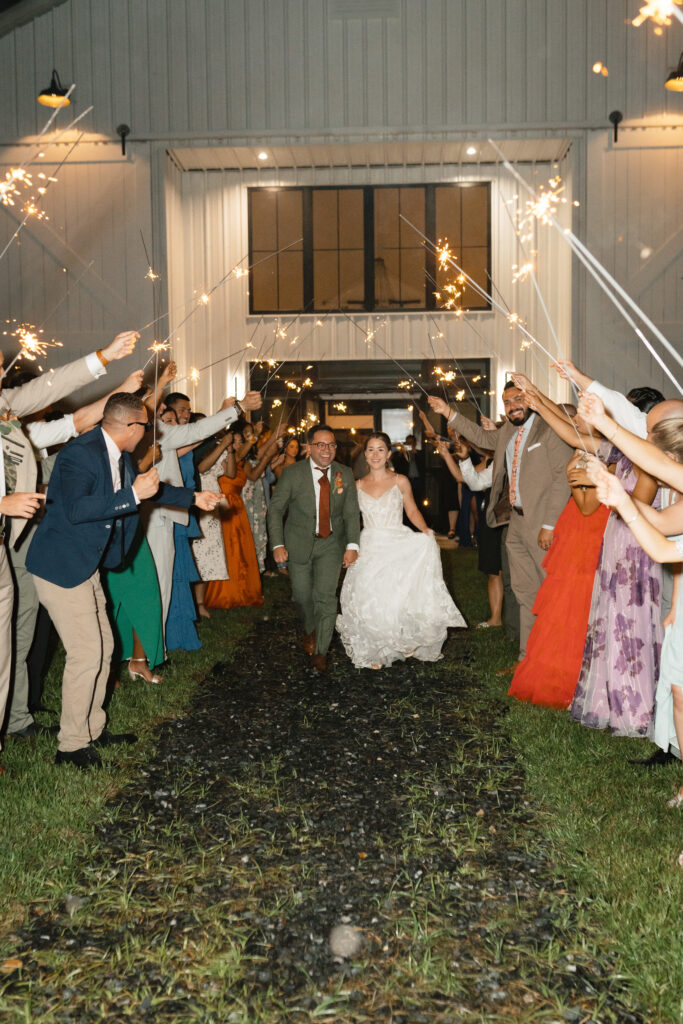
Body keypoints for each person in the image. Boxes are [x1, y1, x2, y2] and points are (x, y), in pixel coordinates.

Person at [25, 393, 221, 769]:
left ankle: (93, 729)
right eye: (146, 426)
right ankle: (70, 747)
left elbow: (151, 490)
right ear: (131, 427)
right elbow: (77, 509)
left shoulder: (117, 453)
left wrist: (194, 496)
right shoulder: (80, 454)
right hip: (62, 567)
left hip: (87, 564)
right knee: (86, 653)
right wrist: (132, 494)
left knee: (104, 647)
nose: (149, 433)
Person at [0, 331, 138, 768]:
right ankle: (71, 741)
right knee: (83, 648)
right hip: (48, 553)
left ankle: (30, 724)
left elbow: (58, 401)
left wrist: (105, 360)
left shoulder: (10, 415)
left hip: (9, 547)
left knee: (9, 652)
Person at [429, 383, 572, 671]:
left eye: (518, 399)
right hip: (515, 522)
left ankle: (560, 661)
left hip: (541, 524)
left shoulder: (551, 429)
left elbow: (562, 480)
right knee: (524, 593)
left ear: (531, 398)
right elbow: (482, 436)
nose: (512, 406)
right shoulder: (509, 429)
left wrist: (548, 525)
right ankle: (527, 660)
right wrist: (447, 412)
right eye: (507, 402)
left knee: (552, 593)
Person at [337, 432, 465, 669]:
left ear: (388, 454)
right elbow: (350, 520)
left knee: (396, 594)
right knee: (369, 595)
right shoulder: (357, 485)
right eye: (371, 449)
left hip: (397, 541)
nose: (375, 454)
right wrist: (349, 545)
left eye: (380, 450)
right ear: (365, 454)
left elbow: (412, 511)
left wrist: (425, 530)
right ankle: (377, 649)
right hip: (370, 543)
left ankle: (398, 640)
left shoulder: (400, 481)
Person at [507, 448, 610, 708]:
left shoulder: (615, 458)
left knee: (583, 605)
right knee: (569, 605)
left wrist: (570, 474)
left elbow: (588, 506)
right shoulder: (591, 451)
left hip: (594, 526)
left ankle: (585, 679)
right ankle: (566, 677)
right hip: (580, 528)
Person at [267, 424, 361, 672]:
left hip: (332, 544)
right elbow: (276, 509)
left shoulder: (345, 473)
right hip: (298, 543)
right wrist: (277, 545)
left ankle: (321, 651)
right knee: (301, 596)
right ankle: (310, 627)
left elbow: (352, 513)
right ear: (309, 448)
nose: (327, 450)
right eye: (320, 444)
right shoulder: (293, 473)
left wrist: (352, 545)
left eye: (331, 444)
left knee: (326, 598)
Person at [203, 428, 267, 611]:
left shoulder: (240, 461)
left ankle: (244, 591)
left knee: (241, 550)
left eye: (240, 441)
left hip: (238, 507)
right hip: (224, 506)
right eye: (235, 441)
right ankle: (225, 593)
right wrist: (253, 438)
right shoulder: (224, 458)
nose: (238, 444)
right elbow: (239, 455)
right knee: (228, 549)